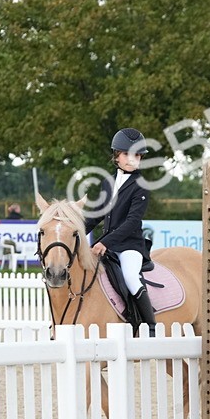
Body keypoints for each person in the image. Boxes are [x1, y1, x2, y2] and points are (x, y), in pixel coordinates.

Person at [83, 128, 156, 336]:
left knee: (131, 277)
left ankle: (149, 326)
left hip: (129, 246)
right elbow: (98, 214)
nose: (132, 160)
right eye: (127, 154)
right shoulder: (108, 182)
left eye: (137, 155)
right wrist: (78, 232)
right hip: (107, 244)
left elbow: (133, 222)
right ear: (116, 156)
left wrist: (105, 242)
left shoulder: (141, 185)